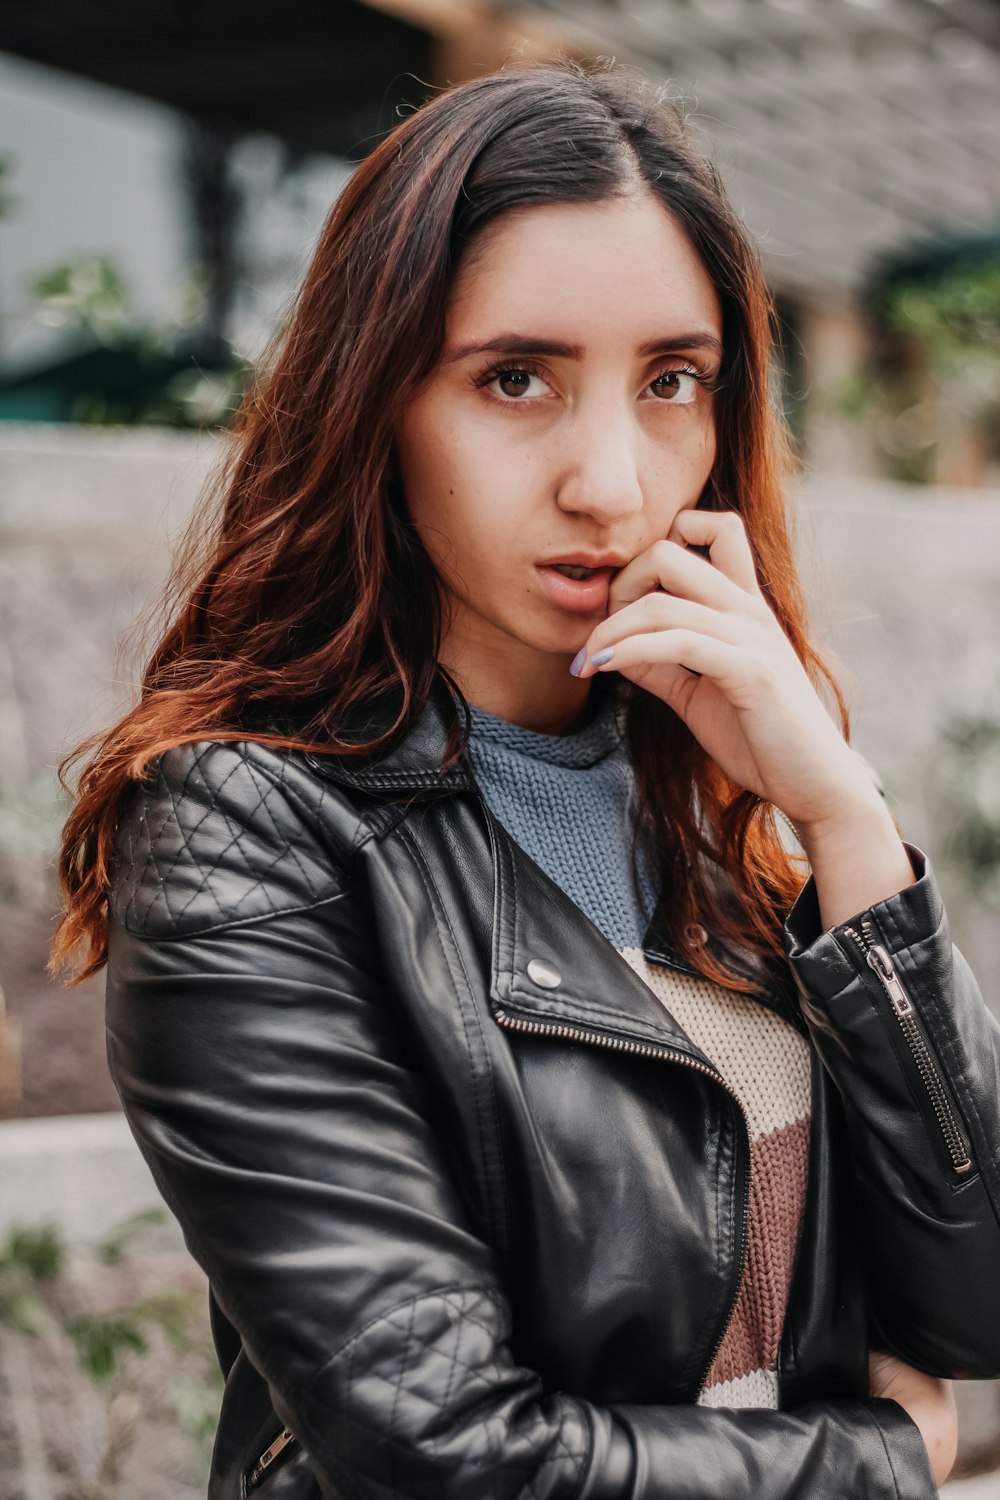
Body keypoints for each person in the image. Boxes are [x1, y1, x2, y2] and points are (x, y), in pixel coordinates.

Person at [51, 57, 1000, 1500]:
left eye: (672, 382)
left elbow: (975, 1305)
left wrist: (847, 822)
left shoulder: (719, 810)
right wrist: (888, 1457)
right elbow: (448, 1455)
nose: (612, 483)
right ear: (377, 402)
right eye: (514, 379)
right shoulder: (248, 830)